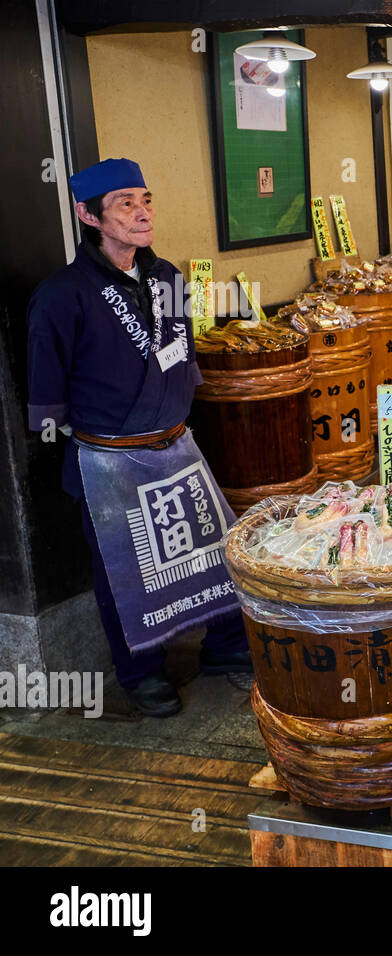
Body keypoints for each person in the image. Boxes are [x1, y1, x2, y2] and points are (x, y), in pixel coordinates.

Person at [26, 158, 250, 718]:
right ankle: (140, 673)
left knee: (212, 548)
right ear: (88, 215)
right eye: (124, 202)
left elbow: (182, 354)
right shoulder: (62, 295)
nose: (141, 211)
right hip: (109, 459)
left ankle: (224, 647)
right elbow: (47, 390)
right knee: (123, 572)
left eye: (144, 199)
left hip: (175, 442)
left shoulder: (168, 276)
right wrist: (78, 451)